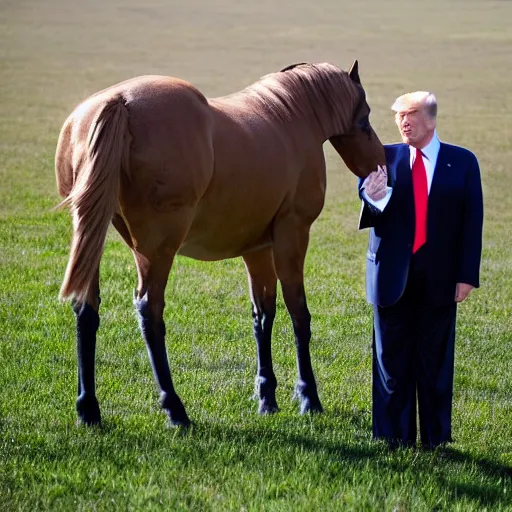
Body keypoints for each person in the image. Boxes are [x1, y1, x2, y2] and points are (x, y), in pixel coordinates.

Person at [358, 91, 483, 449]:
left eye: (410, 115)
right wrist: (375, 196)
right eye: (399, 116)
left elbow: (472, 223)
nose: (403, 122)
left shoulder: (462, 162)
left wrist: (466, 275)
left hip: (441, 279)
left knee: (435, 365)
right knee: (390, 363)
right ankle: (391, 438)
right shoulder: (383, 156)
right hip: (390, 277)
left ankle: (436, 439)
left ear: (431, 119)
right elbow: (367, 202)